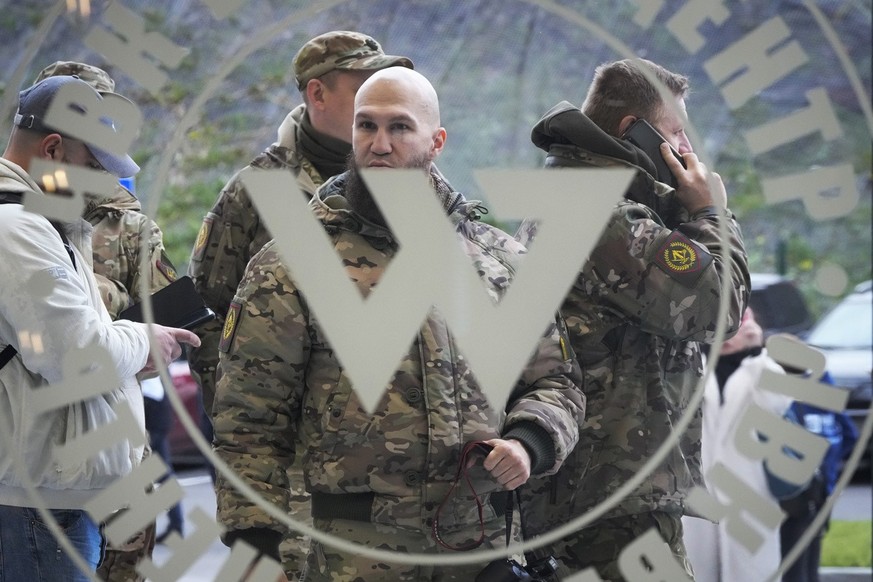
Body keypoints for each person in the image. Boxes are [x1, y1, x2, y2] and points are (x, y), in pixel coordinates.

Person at [211, 66, 586, 581]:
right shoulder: (292, 266)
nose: (379, 144)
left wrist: (530, 441)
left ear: (437, 141)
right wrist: (257, 548)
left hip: (476, 548)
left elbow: (556, 381)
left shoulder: (497, 261)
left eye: (400, 127)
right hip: (347, 556)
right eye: (366, 126)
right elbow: (248, 426)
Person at [516, 58, 750, 581]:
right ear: (633, 132)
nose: (687, 151)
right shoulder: (603, 214)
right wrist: (712, 215)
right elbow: (719, 309)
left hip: (594, 493)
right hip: (610, 501)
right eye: (676, 134)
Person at [187, 33, 412, 577]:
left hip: (397, 454)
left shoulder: (409, 178)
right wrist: (249, 408)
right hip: (293, 462)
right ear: (318, 94)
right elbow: (205, 310)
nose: (380, 99)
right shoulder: (260, 191)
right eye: (363, 86)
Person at [0, 75, 199, 581]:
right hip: (31, 507)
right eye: (90, 167)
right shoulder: (18, 229)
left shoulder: (35, 221)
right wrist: (147, 339)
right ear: (52, 149)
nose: (97, 185)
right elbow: (79, 355)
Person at [681, 308, 791, 581]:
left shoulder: (762, 368)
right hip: (697, 490)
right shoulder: (692, 366)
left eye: (738, 326)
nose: (728, 335)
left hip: (749, 491)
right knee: (696, 567)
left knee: (751, 569)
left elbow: (777, 404)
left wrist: (757, 353)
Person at [779, 370, 857, 582]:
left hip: (792, 493)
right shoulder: (826, 390)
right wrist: (828, 468)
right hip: (821, 488)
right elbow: (850, 434)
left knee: (790, 562)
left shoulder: (785, 397)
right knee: (810, 555)